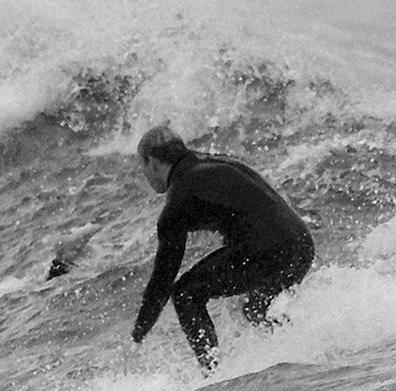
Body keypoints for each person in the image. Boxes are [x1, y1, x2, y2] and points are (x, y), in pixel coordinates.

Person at [131, 126, 315, 371]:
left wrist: (140, 330)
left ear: (151, 161)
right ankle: (308, 351)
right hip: (301, 244)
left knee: (186, 293)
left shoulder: (180, 198)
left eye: (142, 167)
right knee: (256, 309)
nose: (145, 175)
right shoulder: (219, 164)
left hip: (270, 250)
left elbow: (163, 278)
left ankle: (212, 371)